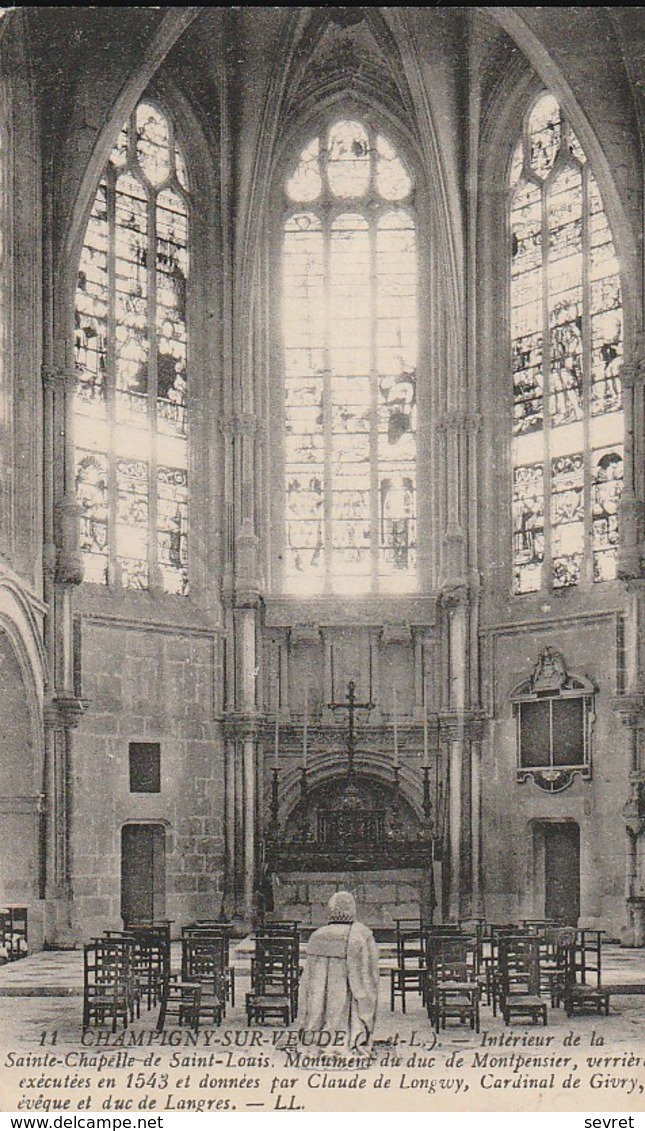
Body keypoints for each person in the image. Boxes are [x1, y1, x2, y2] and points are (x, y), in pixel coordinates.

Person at [297, 891, 379, 1051]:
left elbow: (309, 980)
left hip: (322, 997)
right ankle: (353, 1036)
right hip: (349, 994)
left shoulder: (317, 936)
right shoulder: (362, 935)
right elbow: (369, 973)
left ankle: (318, 1035)